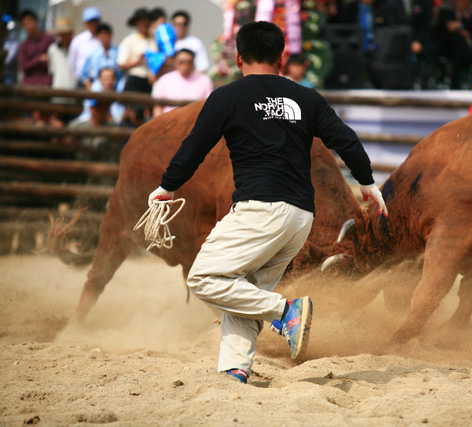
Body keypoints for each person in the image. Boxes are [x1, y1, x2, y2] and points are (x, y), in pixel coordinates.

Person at [147, 21, 388, 384]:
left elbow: (193, 148)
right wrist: (368, 183)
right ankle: (235, 368)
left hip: (259, 210)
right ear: (281, 57)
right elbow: (347, 141)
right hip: (299, 218)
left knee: (205, 277)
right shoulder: (307, 98)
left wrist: (167, 186)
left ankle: (286, 312)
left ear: (239, 57)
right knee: (245, 290)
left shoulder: (227, 97)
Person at [151, 48, 213, 117]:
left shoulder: (204, 80)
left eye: (189, 62)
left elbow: (209, 107)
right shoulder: (164, 80)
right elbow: (158, 107)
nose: (185, 66)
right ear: (175, 63)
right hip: (169, 122)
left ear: (193, 63)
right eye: (181, 62)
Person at [436, 0, 472, 89]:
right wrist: (460, 25)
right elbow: (446, 27)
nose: (465, 4)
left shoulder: (469, 16)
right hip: (447, 46)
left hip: (462, 49)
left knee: (461, 47)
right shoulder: (446, 12)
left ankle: (458, 79)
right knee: (459, 41)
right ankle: (454, 81)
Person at [118, 8, 156, 93]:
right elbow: (121, 65)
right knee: (132, 104)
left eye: (146, 20)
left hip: (150, 80)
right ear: (136, 23)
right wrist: (137, 61)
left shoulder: (154, 41)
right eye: (141, 20)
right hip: (135, 79)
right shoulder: (129, 41)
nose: (144, 23)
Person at [47, 17, 76, 126]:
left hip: (74, 93)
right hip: (58, 93)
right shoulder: (52, 49)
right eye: (62, 33)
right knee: (58, 124)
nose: (64, 36)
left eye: (66, 33)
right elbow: (52, 71)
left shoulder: (76, 48)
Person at [79, 23, 123, 91]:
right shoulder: (93, 54)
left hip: (116, 84)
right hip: (98, 84)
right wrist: (89, 87)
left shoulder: (119, 51)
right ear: (98, 36)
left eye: (106, 34)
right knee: (91, 98)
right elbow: (83, 73)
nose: (104, 37)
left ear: (111, 35)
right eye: (102, 34)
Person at [17, 9, 55, 86]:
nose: (28, 26)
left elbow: (53, 60)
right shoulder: (24, 45)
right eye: (25, 24)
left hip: (47, 84)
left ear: (36, 21)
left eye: (30, 22)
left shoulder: (49, 39)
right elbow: (22, 66)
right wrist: (39, 59)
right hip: (29, 85)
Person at [68, 7, 102, 85]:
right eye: (91, 22)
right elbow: (72, 62)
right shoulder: (78, 40)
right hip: (82, 81)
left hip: (102, 82)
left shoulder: (106, 39)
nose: (94, 24)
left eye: (95, 21)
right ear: (85, 23)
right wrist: (80, 78)